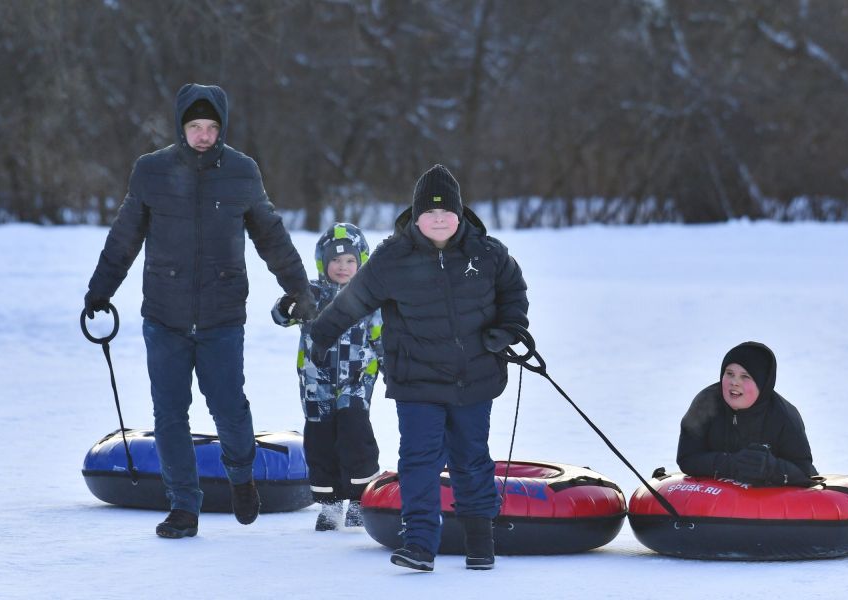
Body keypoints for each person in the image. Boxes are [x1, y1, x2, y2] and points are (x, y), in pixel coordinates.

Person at [83, 83, 317, 539]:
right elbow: (124, 237)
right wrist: (100, 289)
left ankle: (242, 478)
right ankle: (183, 508)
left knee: (229, 408)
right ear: (181, 127)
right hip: (164, 316)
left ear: (222, 129)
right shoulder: (151, 171)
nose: (204, 135)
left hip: (222, 315)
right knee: (170, 414)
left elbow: (270, 236)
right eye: (195, 126)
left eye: (212, 127)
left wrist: (298, 287)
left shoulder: (242, 173)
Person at [308, 164, 529, 571]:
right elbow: (353, 300)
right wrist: (322, 335)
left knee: (471, 459)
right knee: (419, 460)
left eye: (447, 212)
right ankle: (420, 545)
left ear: (460, 214)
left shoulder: (488, 252)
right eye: (430, 212)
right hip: (417, 380)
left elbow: (513, 292)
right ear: (416, 215)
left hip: (475, 377)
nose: (439, 219)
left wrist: (509, 329)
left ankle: (480, 544)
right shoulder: (393, 256)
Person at [272, 222, 383, 531]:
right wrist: (286, 306)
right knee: (320, 441)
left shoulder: (369, 299)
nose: (342, 266)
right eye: (335, 260)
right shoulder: (311, 294)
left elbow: (382, 338)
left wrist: (395, 369)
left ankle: (360, 498)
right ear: (323, 261)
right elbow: (281, 315)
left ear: (361, 260)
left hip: (357, 382)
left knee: (355, 435)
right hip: (315, 384)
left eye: (349, 260)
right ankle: (330, 503)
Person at [677, 341, 817, 486]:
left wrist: (770, 467)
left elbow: (803, 471)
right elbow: (687, 458)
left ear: (762, 383)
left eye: (745, 376)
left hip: (773, 501)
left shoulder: (785, 416)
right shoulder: (705, 403)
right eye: (729, 373)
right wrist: (731, 463)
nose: (734, 382)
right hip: (716, 498)